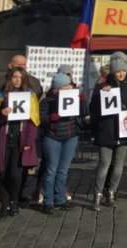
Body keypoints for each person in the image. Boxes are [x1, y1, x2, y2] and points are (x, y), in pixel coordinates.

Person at [90, 53, 127, 211]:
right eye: (118, 71)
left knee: (119, 166)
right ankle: (97, 194)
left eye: (123, 71)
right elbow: (93, 109)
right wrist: (101, 94)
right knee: (104, 164)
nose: (121, 73)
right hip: (107, 131)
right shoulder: (102, 87)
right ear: (112, 72)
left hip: (124, 131)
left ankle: (111, 192)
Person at [0, 68, 40, 217]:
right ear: (10, 78)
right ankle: (5, 203)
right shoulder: (2, 96)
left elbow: (33, 123)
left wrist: (28, 142)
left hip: (20, 141)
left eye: (20, 77)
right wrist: (2, 114)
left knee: (16, 174)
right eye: (14, 77)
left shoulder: (30, 97)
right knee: (1, 173)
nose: (17, 80)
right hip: (3, 140)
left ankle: (13, 201)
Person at [39, 73, 87, 214]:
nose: (68, 88)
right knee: (51, 170)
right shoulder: (47, 100)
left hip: (70, 137)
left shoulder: (74, 98)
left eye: (69, 86)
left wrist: (82, 101)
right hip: (53, 137)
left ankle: (60, 199)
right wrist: (52, 118)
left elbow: (83, 115)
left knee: (63, 170)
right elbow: (41, 119)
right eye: (65, 86)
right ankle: (48, 201)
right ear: (57, 88)